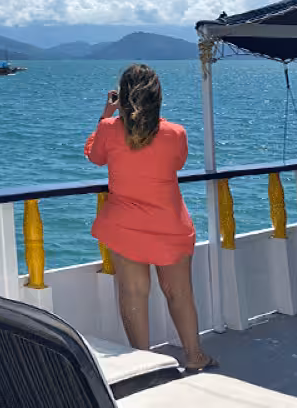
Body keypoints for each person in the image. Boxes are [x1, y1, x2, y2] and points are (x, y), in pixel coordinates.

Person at [85, 63, 216, 372]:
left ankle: (145, 367)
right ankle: (195, 356)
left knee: (133, 294)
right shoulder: (175, 133)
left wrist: (106, 115)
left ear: (124, 96)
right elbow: (179, 162)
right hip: (169, 224)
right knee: (180, 292)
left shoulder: (109, 129)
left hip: (125, 224)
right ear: (157, 97)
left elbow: (95, 156)